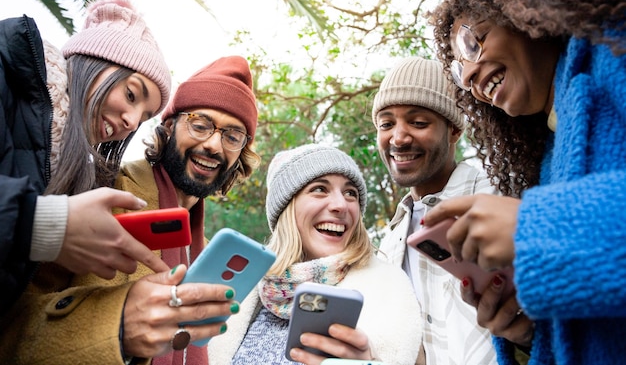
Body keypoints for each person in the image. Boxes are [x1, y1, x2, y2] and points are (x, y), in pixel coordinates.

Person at [424, 0, 626, 364]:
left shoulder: (615, 48)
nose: (466, 76)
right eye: (460, 73)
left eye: (471, 42)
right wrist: (528, 332)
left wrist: (535, 227)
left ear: (523, 7)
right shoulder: (547, 164)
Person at [0, 56, 261, 365]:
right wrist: (118, 326)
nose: (214, 146)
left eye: (232, 137)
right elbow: (9, 324)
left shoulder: (205, 248)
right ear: (168, 126)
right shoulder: (97, 191)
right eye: (201, 125)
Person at [0, 0, 172, 315]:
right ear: (91, 61)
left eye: (144, 117)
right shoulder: (5, 67)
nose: (132, 122)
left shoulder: (71, 171)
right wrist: (43, 225)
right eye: (131, 94)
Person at [208, 143, 422, 365]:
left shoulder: (390, 290)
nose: (341, 205)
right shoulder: (245, 289)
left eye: (350, 193)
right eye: (320, 189)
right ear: (286, 208)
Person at [371, 56, 513, 365]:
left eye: (418, 122)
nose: (398, 137)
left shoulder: (501, 198)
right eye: (386, 124)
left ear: (454, 130)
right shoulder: (391, 240)